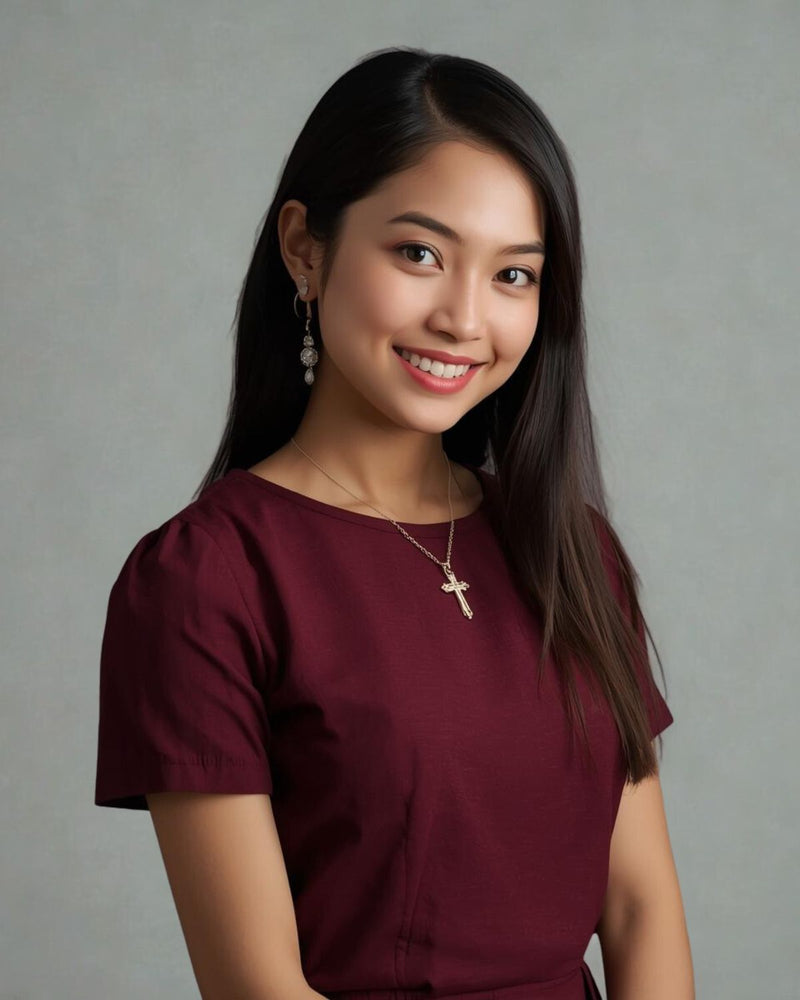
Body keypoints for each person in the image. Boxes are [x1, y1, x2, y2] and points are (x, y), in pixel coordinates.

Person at [94, 46, 694, 1000]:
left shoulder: (574, 552)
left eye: (513, 276)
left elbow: (640, 910)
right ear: (305, 248)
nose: (464, 318)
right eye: (420, 253)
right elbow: (258, 988)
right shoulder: (207, 577)